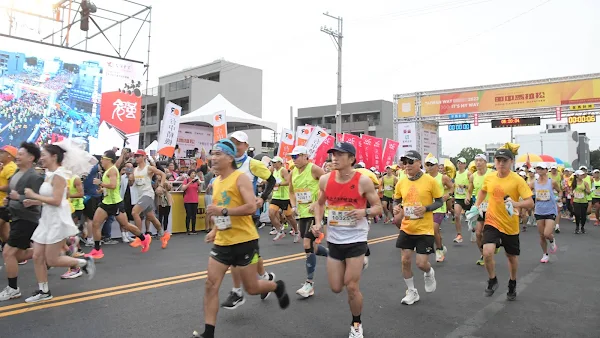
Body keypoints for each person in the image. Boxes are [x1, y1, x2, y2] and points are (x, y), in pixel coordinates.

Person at [194, 139, 289, 338]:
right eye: (213, 153)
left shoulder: (240, 178)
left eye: (218, 154)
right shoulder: (216, 181)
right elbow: (222, 214)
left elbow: (251, 207)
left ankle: (275, 286)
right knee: (211, 284)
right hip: (223, 242)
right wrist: (215, 231)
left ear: (229, 157)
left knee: (252, 288)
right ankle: (208, 333)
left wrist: (223, 210)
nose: (213, 157)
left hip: (245, 241)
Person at [313, 142, 382, 338]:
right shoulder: (325, 180)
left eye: (339, 155)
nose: (334, 158)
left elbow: (378, 207)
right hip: (334, 239)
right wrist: (318, 223)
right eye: (333, 154)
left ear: (351, 159)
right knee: (336, 287)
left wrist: (364, 211)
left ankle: (356, 323)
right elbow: (319, 204)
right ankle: (359, 264)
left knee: (351, 286)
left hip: (356, 238)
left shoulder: (363, 181)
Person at [23, 144, 96, 302]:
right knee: (37, 256)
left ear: (54, 156)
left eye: (43, 155)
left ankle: (83, 262)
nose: (40, 158)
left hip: (57, 220)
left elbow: (56, 201)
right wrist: (34, 201)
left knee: (51, 259)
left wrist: (34, 195)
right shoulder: (50, 174)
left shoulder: (60, 175)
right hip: (47, 219)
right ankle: (44, 291)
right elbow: (51, 199)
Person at [221, 131, 276, 309]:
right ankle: (266, 278)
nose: (235, 146)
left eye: (239, 143)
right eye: (233, 143)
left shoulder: (252, 164)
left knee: (236, 253)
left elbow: (272, 180)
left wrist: (262, 198)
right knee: (251, 253)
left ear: (246, 145)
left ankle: (238, 292)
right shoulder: (226, 162)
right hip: (229, 214)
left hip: (247, 214)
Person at [474, 148, 533, 301]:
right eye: (498, 160)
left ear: (511, 162)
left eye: (504, 161)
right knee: (487, 252)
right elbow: (482, 191)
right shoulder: (490, 177)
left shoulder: (517, 180)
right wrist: (476, 207)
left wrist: (516, 203)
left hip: (510, 224)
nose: (501, 163)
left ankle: (512, 282)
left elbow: (530, 202)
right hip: (492, 220)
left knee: (511, 257)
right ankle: (492, 279)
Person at [392, 150, 442, 305]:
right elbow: (397, 200)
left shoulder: (430, 181)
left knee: (421, 263)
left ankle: (429, 272)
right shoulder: (401, 181)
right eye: (404, 162)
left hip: (424, 229)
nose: (407, 166)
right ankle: (412, 291)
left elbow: (440, 201)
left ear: (419, 163)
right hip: (407, 227)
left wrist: (426, 208)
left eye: (410, 162)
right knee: (405, 260)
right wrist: (396, 208)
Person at [86, 150, 152, 259]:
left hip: (115, 203)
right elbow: (112, 187)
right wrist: (102, 190)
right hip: (106, 202)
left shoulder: (112, 171)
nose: (101, 161)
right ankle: (97, 250)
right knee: (95, 224)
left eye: (102, 158)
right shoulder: (109, 170)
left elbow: (112, 185)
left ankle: (144, 238)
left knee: (125, 225)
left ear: (108, 160)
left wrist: (100, 183)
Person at [0, 142, 44, 301]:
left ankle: (13, 289)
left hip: (27, 218)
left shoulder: (34, 177)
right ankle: (50, 253)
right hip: (15, 215)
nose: (17, 156)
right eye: (17, 154)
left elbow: (39, 198)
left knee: (8, 252)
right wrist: (8, 201)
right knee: (18, 255)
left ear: (31, 158)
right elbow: (13, 194)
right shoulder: (17, 172)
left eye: (21, 154)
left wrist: (20, 198)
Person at [288, 145, 328, 298]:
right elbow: (291, 191)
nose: (294, 159)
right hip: (303, 214)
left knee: (306, 244)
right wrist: (293, 205)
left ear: (305, 156)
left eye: (296, 156)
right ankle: (335, 257)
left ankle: (309, 284)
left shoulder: (314, 169)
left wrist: (317, 202)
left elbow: (327, 185)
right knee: (312, 246)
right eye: (292, 157)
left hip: (316, 213)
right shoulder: (292, 173)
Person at [130, 150, 170, 248]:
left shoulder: (149, 168)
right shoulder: (135, 170)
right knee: (150, 217)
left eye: (138, 156)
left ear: (144, 157)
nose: (136, 158)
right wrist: (130, 180)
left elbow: (163, 174)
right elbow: (132, 184)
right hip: (141, 195)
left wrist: (160, 186)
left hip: (148, 194)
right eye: (135, 156)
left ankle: (140, 238)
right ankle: (163, 234)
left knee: (135, 212)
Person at [424, 157, 453, 262]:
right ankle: (441, 247)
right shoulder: (424, 177)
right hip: (428, 207)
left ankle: (439, 250)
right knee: (432, 231)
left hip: (439, 207)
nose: (430, 167)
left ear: (437, 166)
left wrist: (447, 195)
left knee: (434, 228)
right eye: (428, 165)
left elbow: (452, 187)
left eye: (432, 165)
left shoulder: (443, 177)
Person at [467, 154, 494, 265]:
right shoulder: (473, 176)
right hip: (480, 208)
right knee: (478, 233)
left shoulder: (492, 174)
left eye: (480, 161)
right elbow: (470, 190)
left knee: (489, 232)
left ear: (485, 162)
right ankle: (483, 254)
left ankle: (493, 245)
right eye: (476, 161)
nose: (478, 163)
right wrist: (468, 197)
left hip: (493, 207)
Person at [530, 163, 559, 264]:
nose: (540, 170)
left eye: (542, 168)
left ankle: (552, 240)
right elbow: (527, 192)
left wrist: (558, 197)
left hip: (550, 210)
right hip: (539, 211)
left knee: (547, 233)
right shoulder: (534, 183)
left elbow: (560, 191)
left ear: (547, 170)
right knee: (542, 235)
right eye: (538, 168)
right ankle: (545, 254)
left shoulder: (552, 182)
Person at [269, 156, 299, 242]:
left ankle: (296, 231)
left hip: (285, 197)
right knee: (271, 213)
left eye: (275, 162)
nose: (273, 164)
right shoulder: (273, 170)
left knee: (289, 216)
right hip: (276, 196)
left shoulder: (283, 170)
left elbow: (288, 182)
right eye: (272, 162)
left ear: (280, 163)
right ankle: (279, 230)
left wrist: (279, 184)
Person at [0, 145, 18, 246]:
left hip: (5, 203)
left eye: (3, 153)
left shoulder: (10, 167)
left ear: (9, 156)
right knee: (4, 232)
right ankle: (14, 251)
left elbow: (11, 186)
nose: (0, 155)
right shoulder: (5, 166)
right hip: (2, 203)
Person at [452, 157, 470, 243]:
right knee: (456, 216)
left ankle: (474, 230)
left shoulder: (468, 173)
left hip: (467, 197)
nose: (460, 164)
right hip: (458, 197)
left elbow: (472, 186)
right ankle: (459, 235)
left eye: (462, 163)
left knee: (473, 217)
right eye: (458, 163)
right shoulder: (455, 173)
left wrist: (465, 186)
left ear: (465, 164)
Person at [572, 170, 591, 234]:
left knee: (583, 215)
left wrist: (585, 190)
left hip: (584, 201)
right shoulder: (574, 183)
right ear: (577, 176)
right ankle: (577, 227)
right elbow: (571, 190)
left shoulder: (585, 183)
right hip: (576, 201)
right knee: (577, 214)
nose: (582, 176)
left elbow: (589, 192)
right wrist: (571, 193)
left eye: (583, 175)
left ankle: (582, 227)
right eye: (581, 175)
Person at [182, 170, 201, 235]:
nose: (193, 174)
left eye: (194, 173)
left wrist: (199, 184)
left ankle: (193, 229)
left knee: (194, 215)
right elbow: (183, 188)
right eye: (192, 173)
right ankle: (187, 229)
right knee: (188, 215)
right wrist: (190, 182)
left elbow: (200, 191)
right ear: (189, 174)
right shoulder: (186, 180)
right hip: (187, 200)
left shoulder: (196, 182)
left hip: (195, 200)